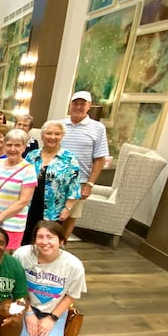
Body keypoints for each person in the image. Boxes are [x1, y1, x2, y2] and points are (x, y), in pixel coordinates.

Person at [13, 220, 87, 336]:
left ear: (61, 241)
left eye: (50, 237)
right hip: (26, 304)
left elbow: (71, 295)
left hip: (54, 308)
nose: (44, 242)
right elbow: (16, 287)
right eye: (40, 237)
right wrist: (28, 313)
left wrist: (51, 318)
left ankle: (58, 321)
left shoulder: (74, 265)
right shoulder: (22, 255)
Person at [60, 90, 110, 240]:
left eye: (83, 104)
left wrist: (89, 184)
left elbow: (100, 159)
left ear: (89, 106)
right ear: (70, 105)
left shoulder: (98, 128)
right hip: (55, 177)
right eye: (75, 103)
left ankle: (61, 245)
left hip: (79, 181)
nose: (78, 107)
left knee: (70, 215)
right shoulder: (59, 125)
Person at [23, 121, 80, 245]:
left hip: (54, 210)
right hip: (29, 207)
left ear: (62, 136)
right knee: (27, 240)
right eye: (49, 133)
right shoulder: (31, 156)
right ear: (42, 135)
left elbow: (74, 187)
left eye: (57, 134)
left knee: (47, 241)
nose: (52, 137)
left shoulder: (69, 158)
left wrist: (67, 208)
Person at [0, 129, 37, 251]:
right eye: (9, 145)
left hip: (12, 224)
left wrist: (1, 217)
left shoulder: (29, 169)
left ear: (24, 147)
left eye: (17, 145)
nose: (12, 149)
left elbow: (24, 200)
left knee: (6, 258)